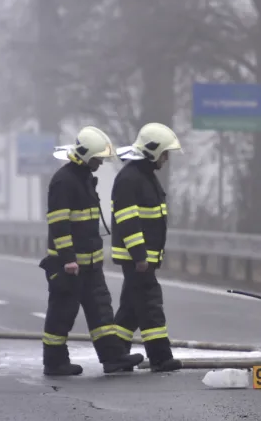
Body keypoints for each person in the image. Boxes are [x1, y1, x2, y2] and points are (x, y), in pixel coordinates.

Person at [39, 126, 145, 376]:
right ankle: (54, 362)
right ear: (86, 156)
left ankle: (113, 358)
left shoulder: (84, 177)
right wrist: (68, 259)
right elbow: (59, 224)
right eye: (98, 158)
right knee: (62, 314)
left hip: (91, 265)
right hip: (70, 266)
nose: (100, 162)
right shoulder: (64, 181)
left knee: (102, 312)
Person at [110, 123, 183, 373]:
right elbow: (128, 221)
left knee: (131, 308)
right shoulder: (130, 179)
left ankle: (115, 354)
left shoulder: (143, 175)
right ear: (153, 151)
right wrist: (139, 255)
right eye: (164, 153)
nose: (166, 158)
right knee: (151, 303)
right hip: (136, 258)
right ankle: (160, 357)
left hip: (143, 257)